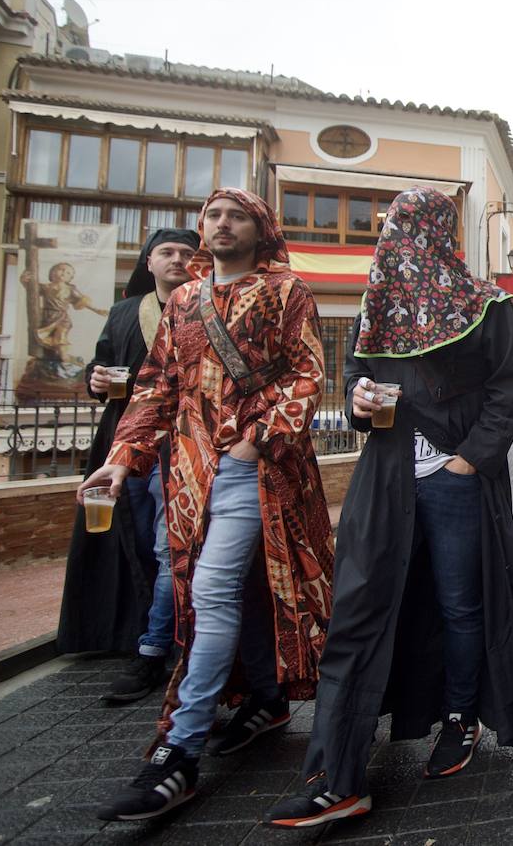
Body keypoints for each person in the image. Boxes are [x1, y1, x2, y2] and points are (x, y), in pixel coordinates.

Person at [263, 187, 513, 827]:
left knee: (460, 604)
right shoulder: (378, 305)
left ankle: (460, 719)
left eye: (415, 225)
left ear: (442, 233)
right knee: (356, 607)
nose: (400, 236)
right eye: (393, 224)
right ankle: (337, 770)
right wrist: (356, 399)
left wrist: (468, 460)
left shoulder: (487, 307)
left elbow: (512, 394)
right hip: (384, 479)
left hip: (455, 478)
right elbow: (356, 379)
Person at [79, 188, 335, 820]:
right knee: (232, 587)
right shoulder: (186, 301)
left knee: (212, 590)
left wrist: (256, 441)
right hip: (187, 471)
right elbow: (157, 384)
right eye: (213, 215)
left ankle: (178, 751)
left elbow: (309, 373)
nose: (222, 224)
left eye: (236, 215)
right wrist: (122, 458)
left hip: (258, 471)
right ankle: (267, 700)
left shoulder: (285, 291)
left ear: (259, 227)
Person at [57, 228, 199, 703]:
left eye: (186, 252)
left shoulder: (209, 307)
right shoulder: (122, 314)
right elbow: (99, 370)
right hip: (127, 446)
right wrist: (96, 381)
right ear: (149, 262)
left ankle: (153, 651)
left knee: (165, 547)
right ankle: (147, 631)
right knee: (136, 542)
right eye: (167, 252)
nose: (177, 259)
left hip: (182, 447)